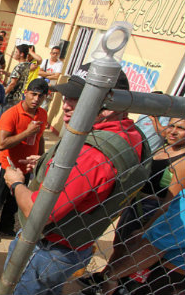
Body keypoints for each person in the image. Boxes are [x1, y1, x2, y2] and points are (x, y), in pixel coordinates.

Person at [2, 63, 144, 295]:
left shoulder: (91, 154)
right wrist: (45, 163)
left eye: (78, 98)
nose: (66, 105)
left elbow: (39, 212)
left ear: (109, 104)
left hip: (48, 249)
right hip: (74, 246)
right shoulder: (129, 135)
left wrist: (15, 182)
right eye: (67, 96)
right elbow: (92, 182)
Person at [78, 116, 185, 293]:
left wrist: (147, 228)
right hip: (136, 205)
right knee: (119, 247)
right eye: (171, 125)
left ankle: (112, 284)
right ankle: (103, 278)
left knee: (131, 253)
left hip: (151, 212)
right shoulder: (165, 148)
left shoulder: (182, 161)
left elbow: (169, 202)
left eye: (180, 128)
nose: (173, 131)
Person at [0, 79, 48, 242]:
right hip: (7, 165)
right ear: (25, 92)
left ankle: (5, 226)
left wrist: (40, 161)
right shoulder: (12, 114)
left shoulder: (42, 114)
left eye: (41, 96)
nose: (36, 99)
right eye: (33, 94)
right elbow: (2, 144)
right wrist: (27, 132)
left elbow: (40, 138)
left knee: (15, 199)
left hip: (25, 167)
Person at [4, 44, 33, 110]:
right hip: (18, 98)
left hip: (10, 98)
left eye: (16, 52)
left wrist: (3, 93)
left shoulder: (19, 67)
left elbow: (12, 83)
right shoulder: (27, 65)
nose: (15, 54)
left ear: (21, 54)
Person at [38, 46, 64, 110]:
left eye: (57, 53)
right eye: (54, 53)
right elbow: (39, 72)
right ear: (51, 53)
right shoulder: (45, 61)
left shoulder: (59, 64)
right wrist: (50, 74)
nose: (55, 55)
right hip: (40, 85)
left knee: (44, 107)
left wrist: (44, 74)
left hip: (49, 88)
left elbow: (56, 76)